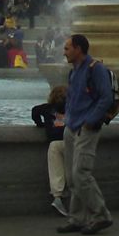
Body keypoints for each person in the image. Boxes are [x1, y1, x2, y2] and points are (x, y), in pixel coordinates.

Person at [56, 34, 113, 236]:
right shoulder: (74, 71)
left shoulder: (95, 68)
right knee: (72, 177)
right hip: (71, 127)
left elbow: (106, 97)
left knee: (81, 173)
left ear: (78, 49)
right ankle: (77, 218)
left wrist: (90, 121)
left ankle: (101, 215)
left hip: (86, 128)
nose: (64, 52)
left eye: (67, 48)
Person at [31, 85, 68, 216]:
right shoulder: (72, 107)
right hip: (70, 142)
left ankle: (57, 197)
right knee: (73, 171)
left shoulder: (46, 108)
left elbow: (34, 111)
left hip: (54, 143)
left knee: (56, 172)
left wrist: (40, 124)